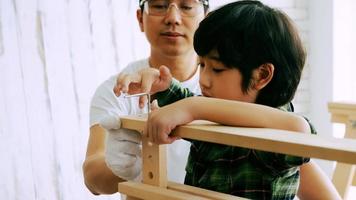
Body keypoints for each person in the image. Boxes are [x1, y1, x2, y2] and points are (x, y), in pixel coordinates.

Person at [83, 0, 340, 199]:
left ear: (261, 75)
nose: (204, 79)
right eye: (202, 65)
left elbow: (299, 128)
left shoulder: (274, 126)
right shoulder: (206, 100)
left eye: (215, 69)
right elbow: (182, 100)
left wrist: (194, 107)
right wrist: (163, 86)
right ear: (140, 17)